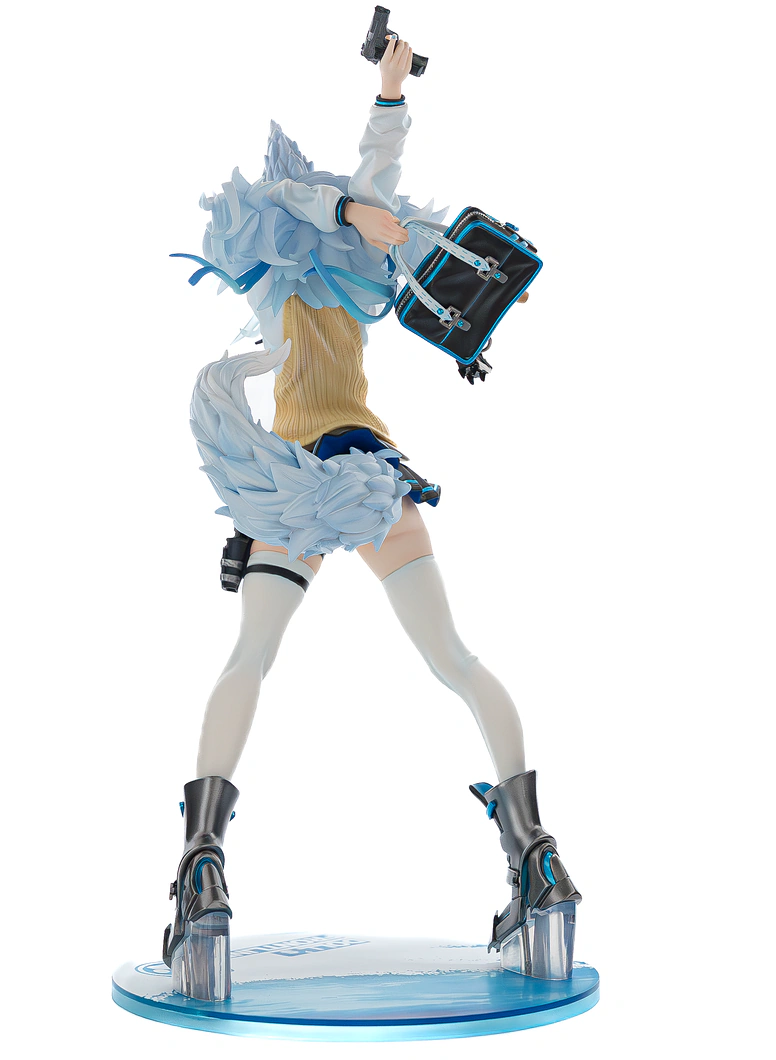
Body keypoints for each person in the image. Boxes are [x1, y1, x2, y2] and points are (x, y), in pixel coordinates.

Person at [164, 37, 581, 999]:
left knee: (250, 658)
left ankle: (200, 870)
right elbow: (350, 188)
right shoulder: (345, 260)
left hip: (296, 478)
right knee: (455, 660)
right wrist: (376, 136)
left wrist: (386, 100)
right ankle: (538, 860)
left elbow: (325, 193)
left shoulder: (274, 271)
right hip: (365, 469)